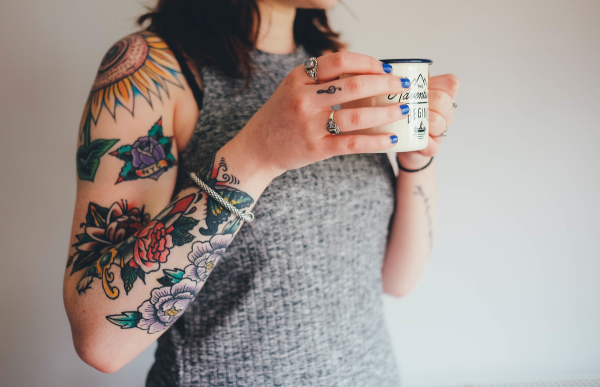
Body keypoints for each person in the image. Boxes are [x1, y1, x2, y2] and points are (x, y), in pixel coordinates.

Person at [62, 0, 460, 385]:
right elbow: (101, 341)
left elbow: (396, 280)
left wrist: (417, 157)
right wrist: (258, 155)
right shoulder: (150, 69)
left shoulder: (330, 68)